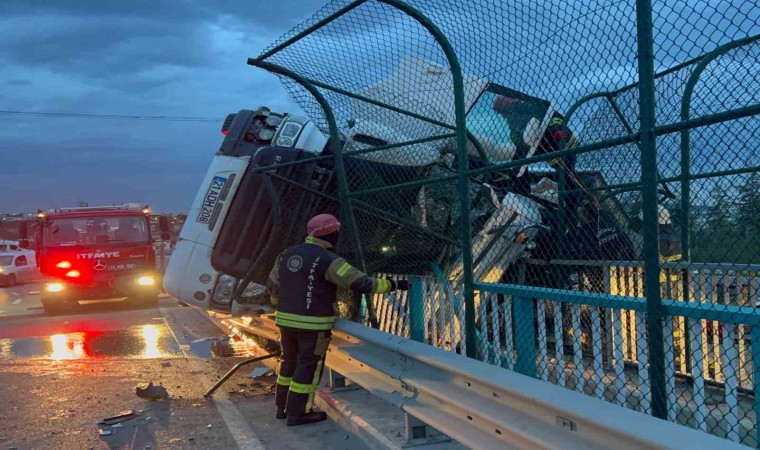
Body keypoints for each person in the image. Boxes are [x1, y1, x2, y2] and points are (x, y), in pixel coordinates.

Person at [267, 213, 412, 426]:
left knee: (289, 363)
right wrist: (395, 285)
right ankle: (298, 413)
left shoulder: (286, 254)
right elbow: (363, 284)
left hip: (285, 321)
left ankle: (282, 408)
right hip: (314, 325)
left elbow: (273, 285)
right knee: (308, 367)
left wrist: (278, 306)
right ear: (333, 234)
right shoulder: (330, 260)